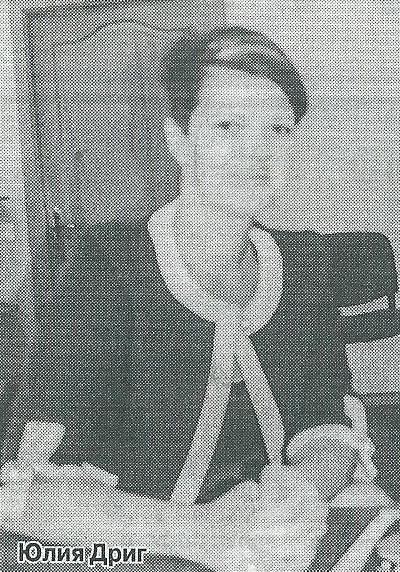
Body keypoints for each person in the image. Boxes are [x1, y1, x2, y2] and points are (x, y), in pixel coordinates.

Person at [1, 25, 380, 568]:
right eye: (228, 126)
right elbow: (31, 495)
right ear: (178, 140)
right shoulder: (101, 269)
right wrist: (209, 536)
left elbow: (326, 421)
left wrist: (298, 493)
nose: (258, 153)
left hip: (276, 536)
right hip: (135, 546)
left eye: (278, 129)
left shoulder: (304, 270)